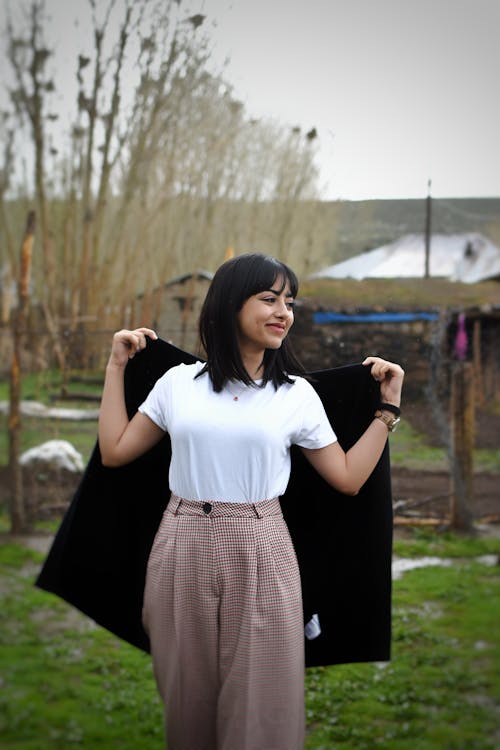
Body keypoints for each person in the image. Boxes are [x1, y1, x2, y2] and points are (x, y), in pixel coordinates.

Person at [98, 253, 404, 750]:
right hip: (181, 544)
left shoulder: (296, 395)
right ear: (228, 305)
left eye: (290, 302)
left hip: (262, 545)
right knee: (187, 707)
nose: (284, 311)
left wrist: (386, 409)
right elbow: (115, 452)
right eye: (269, 299)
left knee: (263, 710)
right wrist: (116, 366)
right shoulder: (178, 385)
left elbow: (347, 478)